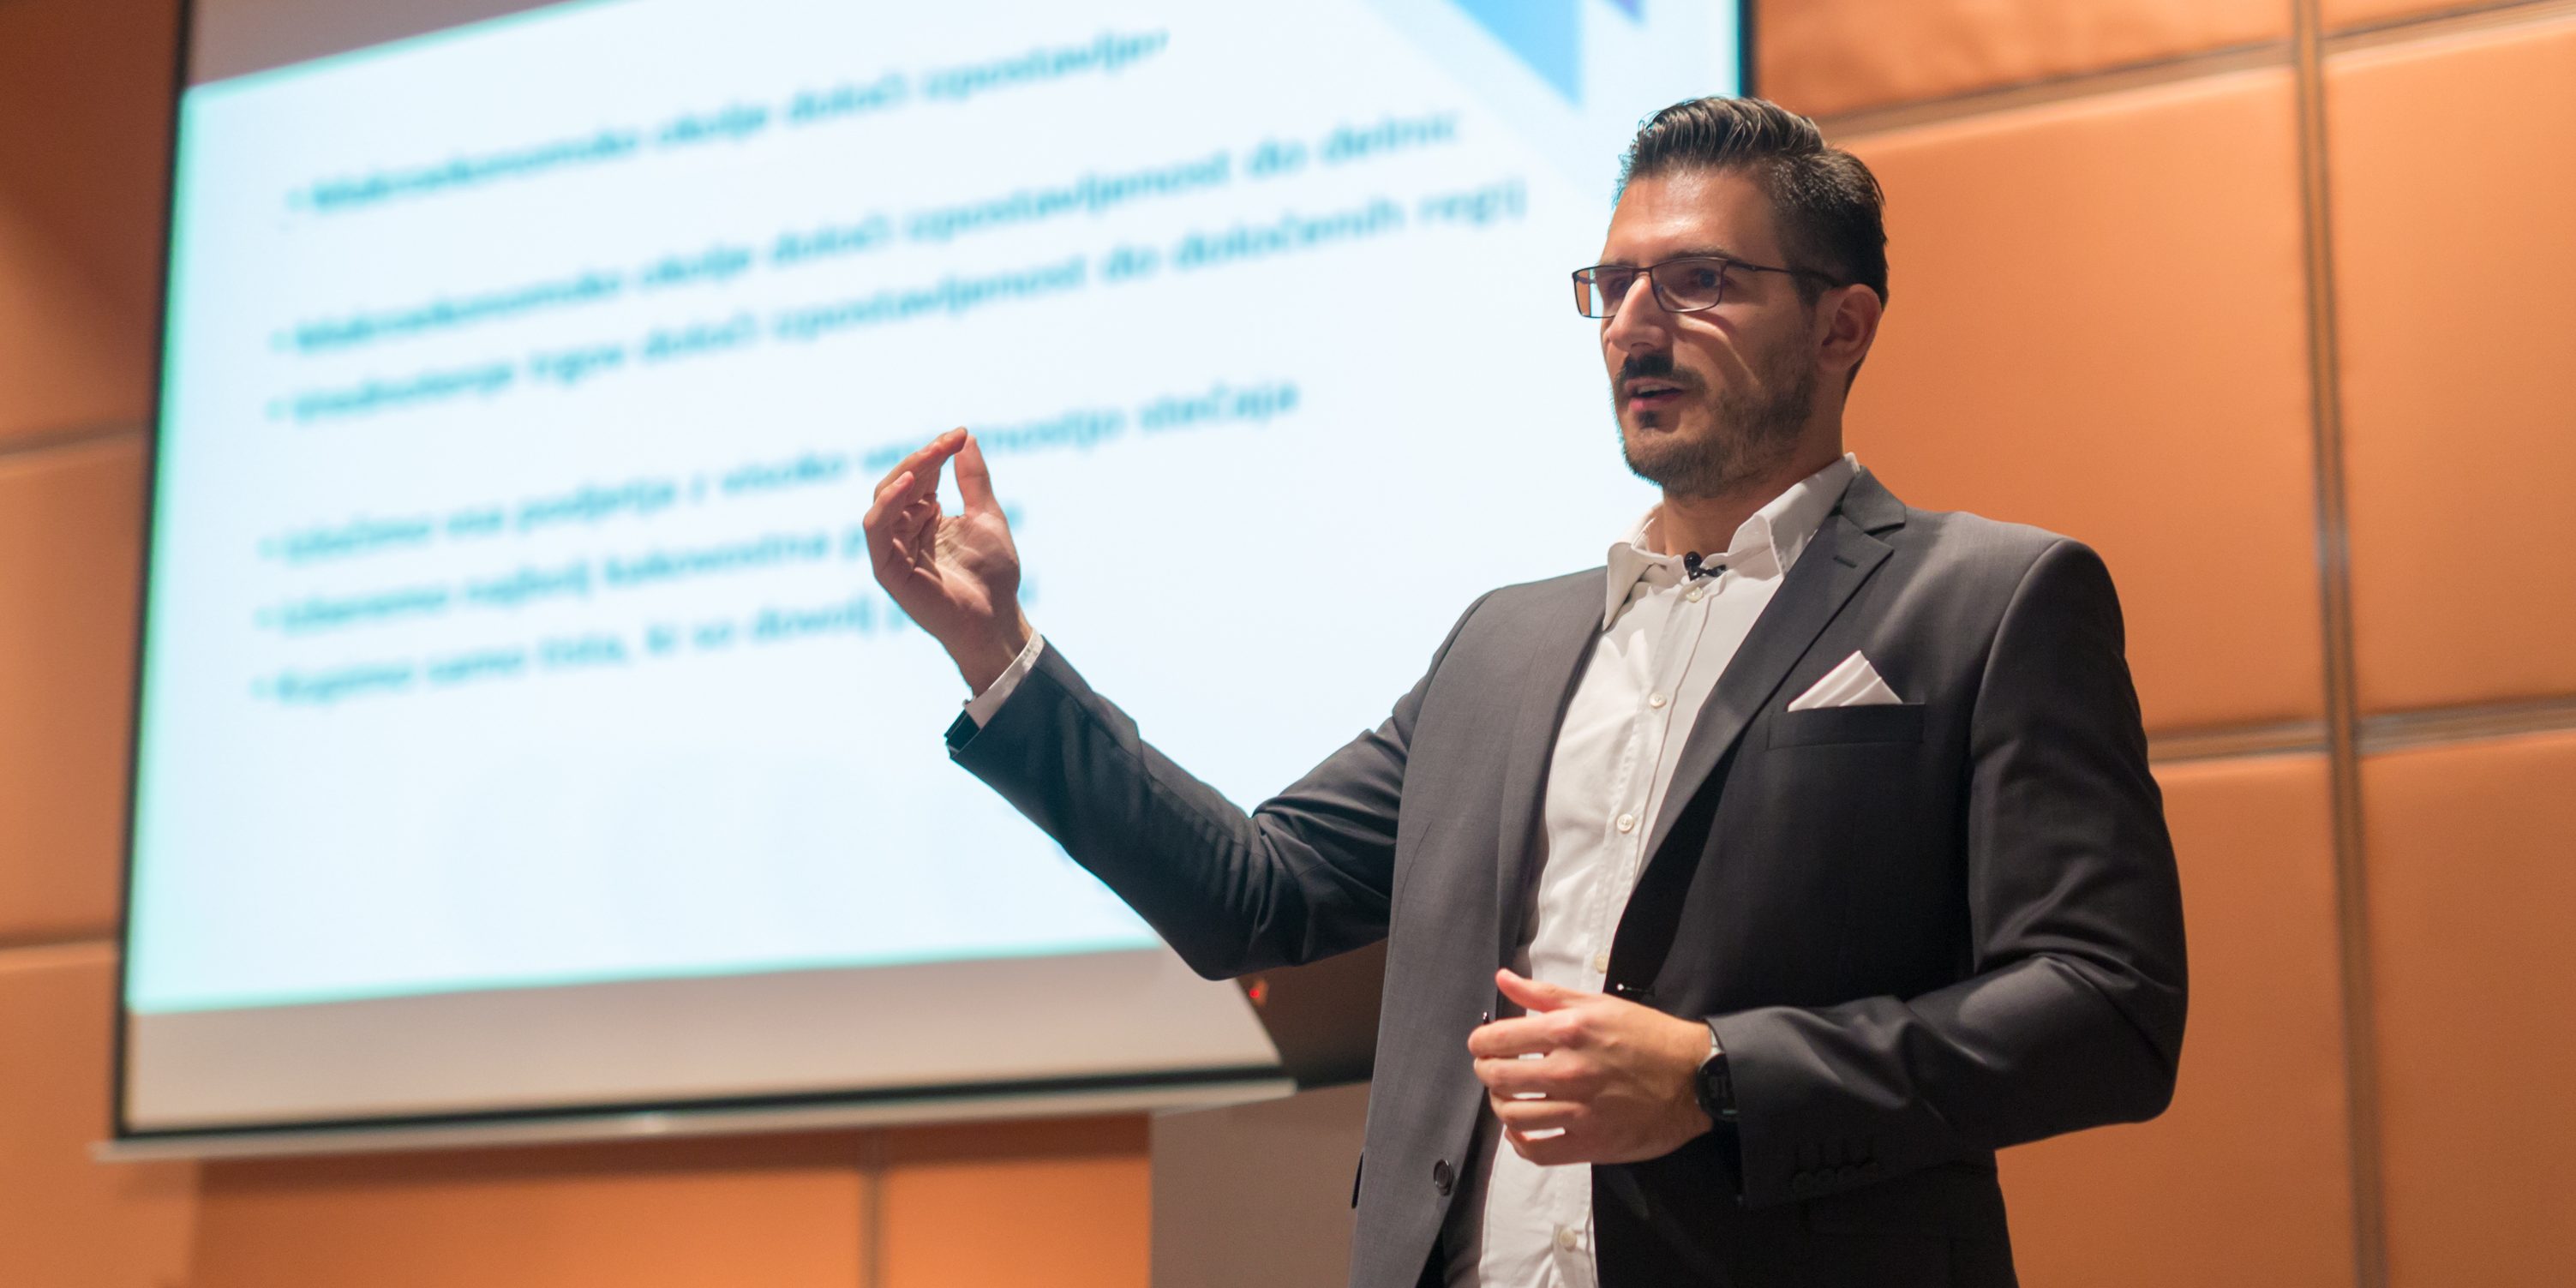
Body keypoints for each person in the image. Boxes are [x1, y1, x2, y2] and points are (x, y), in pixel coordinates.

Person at [862, 96, 2186, 1288]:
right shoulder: (1502, 646)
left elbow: (2103, 1009)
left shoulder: (1986, 600)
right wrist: (999, 656)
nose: (1634, 326)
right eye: (1611, 286)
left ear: (1841, 325)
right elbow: (1252, 895)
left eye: (1698, 281)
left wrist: (1719, 1076)